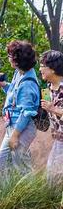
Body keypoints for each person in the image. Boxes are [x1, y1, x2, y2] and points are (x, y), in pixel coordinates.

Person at [0, 40, 39, 174]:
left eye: (10, 56)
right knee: (2, 163)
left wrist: (15, 135)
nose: (8, 58)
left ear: (17, 60)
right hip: (13, 124)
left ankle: (31, 193)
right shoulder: (20, 72)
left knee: (20, 165)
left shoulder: (27, 83)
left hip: (21, 127)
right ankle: (7, 192)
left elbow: (26, 112)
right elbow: (15, 94)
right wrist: (5, 86)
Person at [39, 50, 63, 180]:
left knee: (53, 178)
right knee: (51, 176)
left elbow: (53, 109)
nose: (40, 69)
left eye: (43, 65)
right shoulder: (48, 88)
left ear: (53, 69)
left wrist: (53, 108)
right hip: (57, 138)